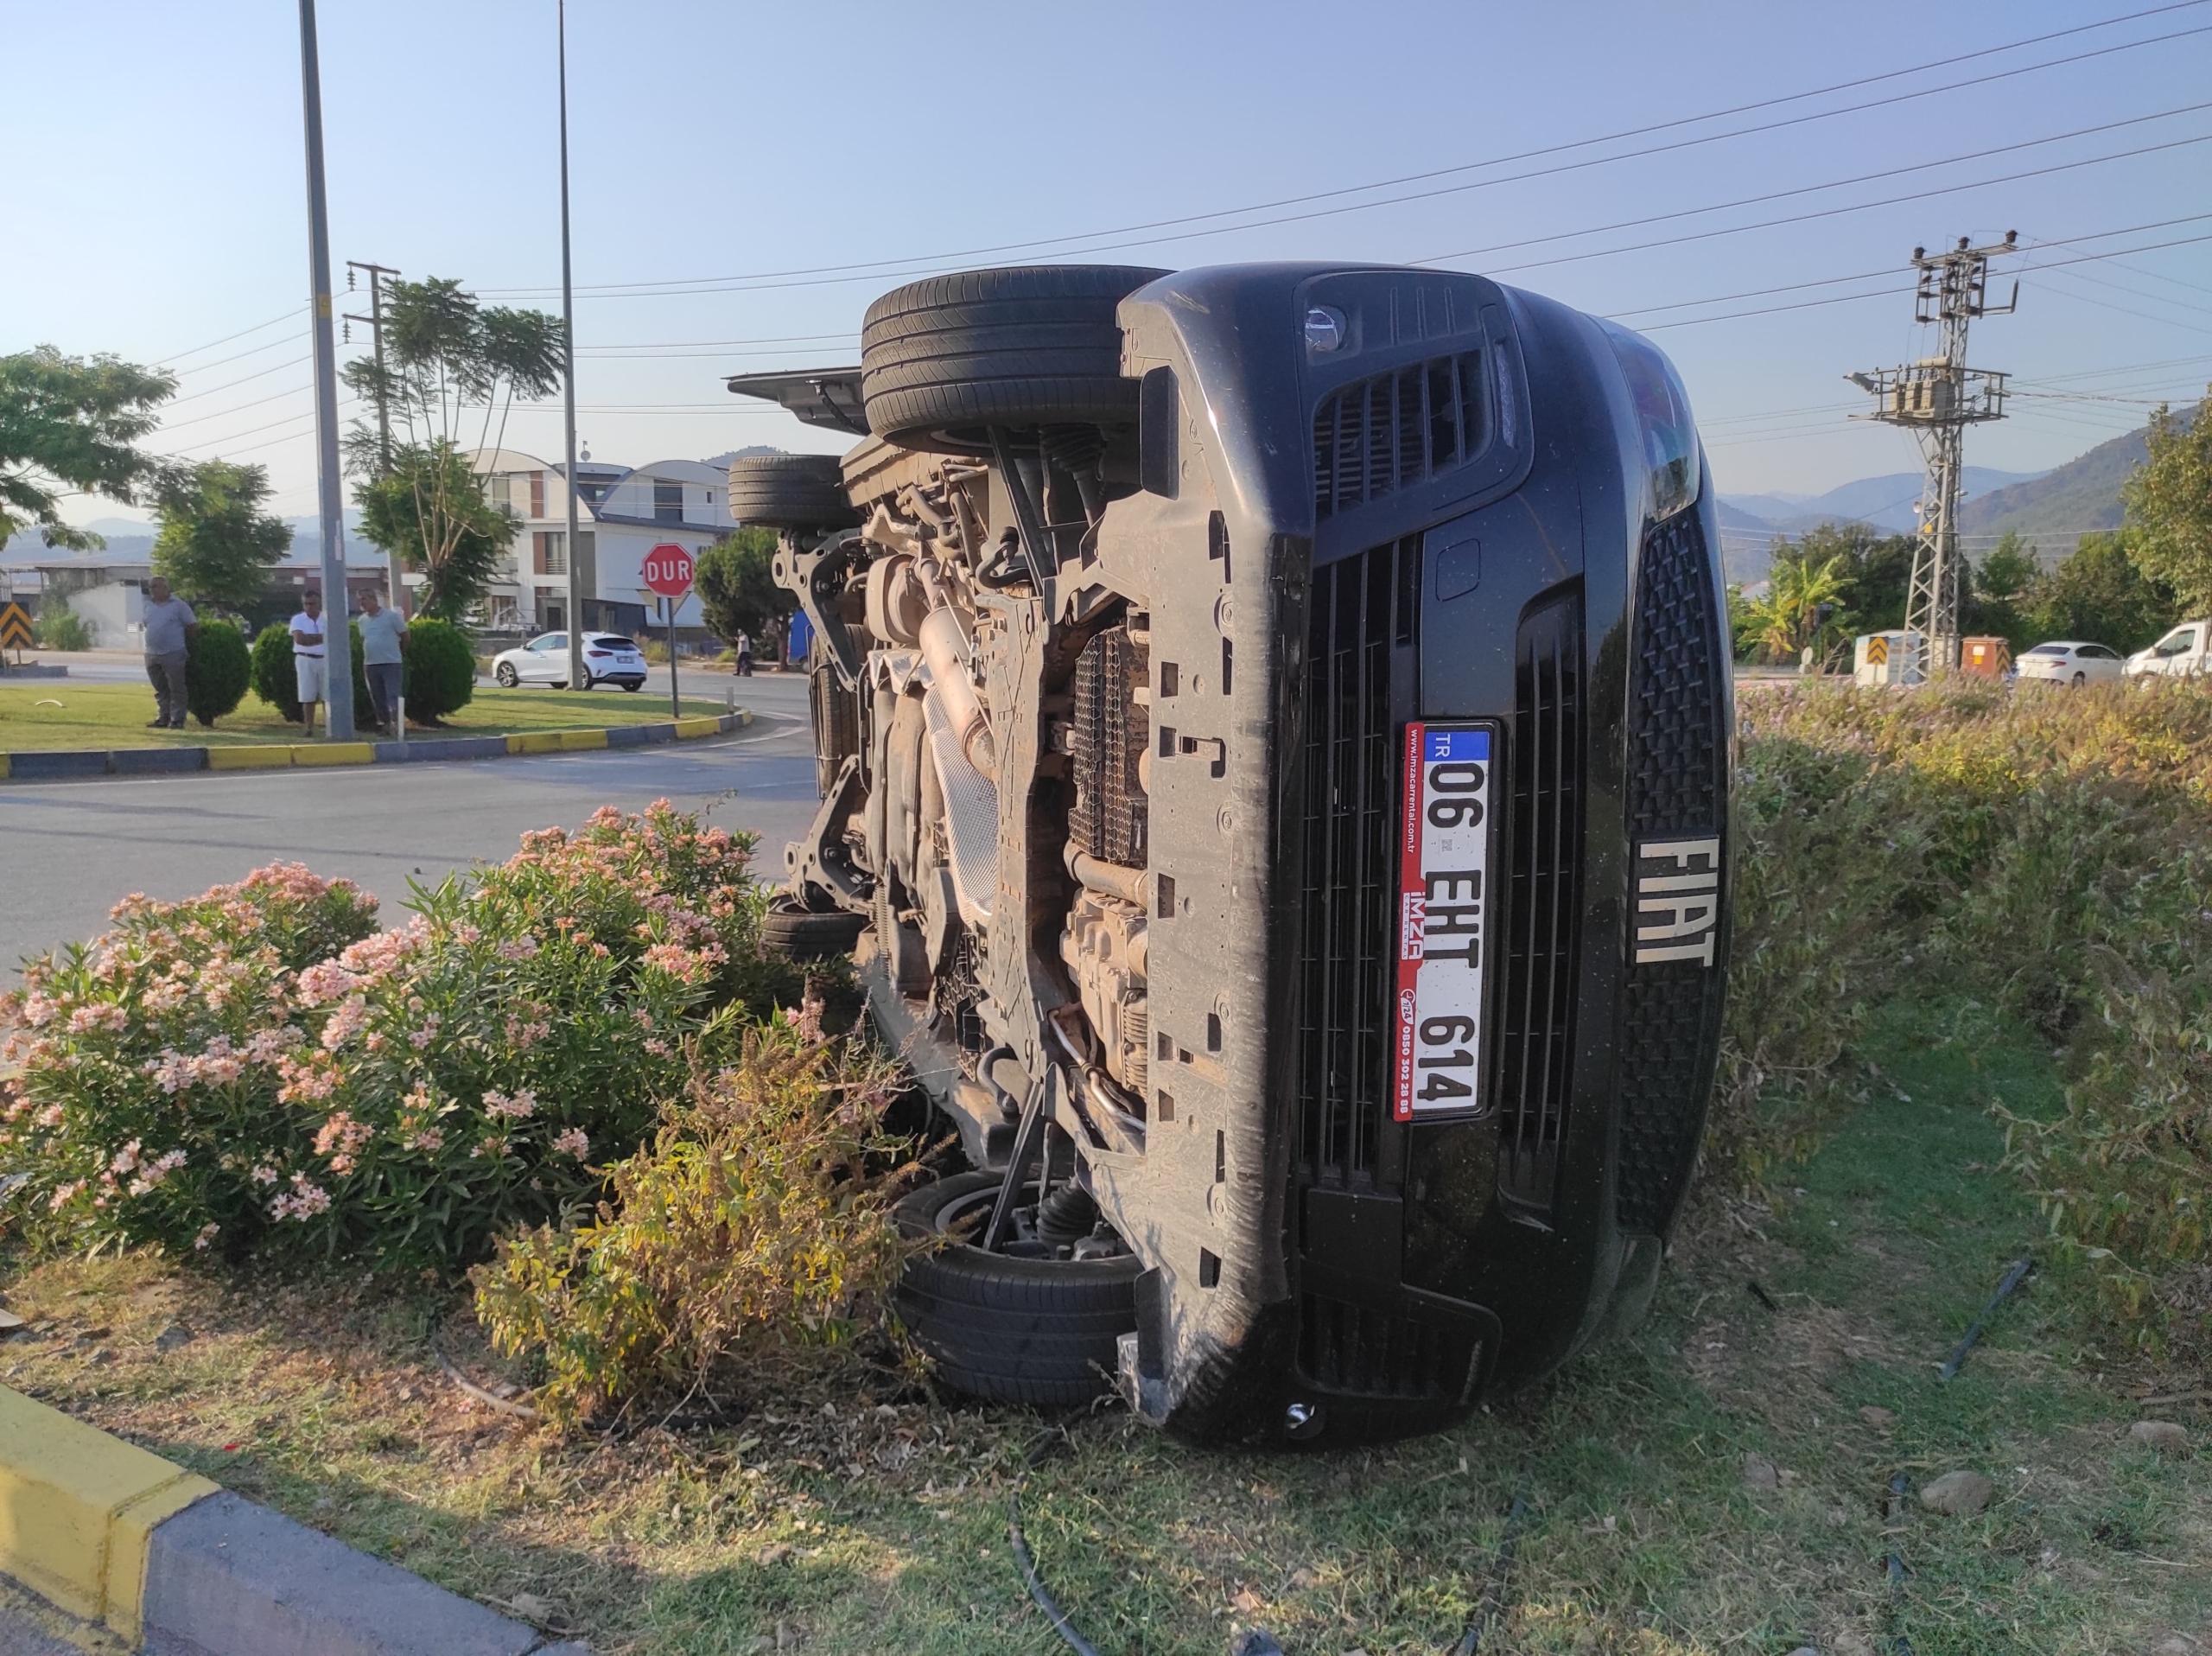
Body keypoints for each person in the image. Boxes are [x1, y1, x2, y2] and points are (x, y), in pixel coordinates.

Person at [141, 576, 200, 729]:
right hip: (152, 653)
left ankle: (177, 719)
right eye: (151, 587)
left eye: (156, 586)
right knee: (160, 688)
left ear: (166, 588)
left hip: (173, 653)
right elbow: (146, 625)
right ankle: (163, 718)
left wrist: (184, 644)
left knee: (176, 688)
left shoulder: (179, 606)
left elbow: (192, 626)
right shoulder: (148, 606)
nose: (152, 590)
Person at [357, 587, 408, 734]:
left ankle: (396, 725)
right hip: (371, 664)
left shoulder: (391, 616)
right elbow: (365, 639)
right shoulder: (362, 620)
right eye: (359, 600)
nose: (361, 603)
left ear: (373, 599)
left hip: (391, 663)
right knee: (377, 697)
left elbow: (405, 636)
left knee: (392, 695)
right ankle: (385, 725)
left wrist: (400, 653)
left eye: (364, 599)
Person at [289, 589, 327, 736]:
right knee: (307, 695)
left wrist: (311, 638)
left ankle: (329, 726)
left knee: (328, 695)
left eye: (312, 603)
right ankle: (309, 727)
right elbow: (300, 640)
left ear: (319, 603)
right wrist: (322, 637)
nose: (309, 607)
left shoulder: (327, 618)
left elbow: (334, 638)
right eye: (306, 604)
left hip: (325, 659)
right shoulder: (297, 619)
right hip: (305, 659)